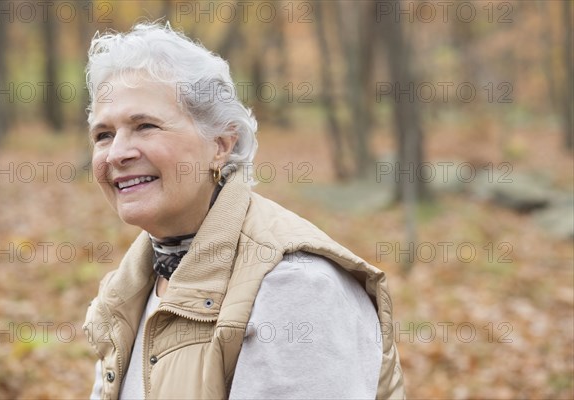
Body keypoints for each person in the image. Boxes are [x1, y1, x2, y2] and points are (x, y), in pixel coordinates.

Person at [83, 21, 405, 399]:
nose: (118, 153)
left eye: (146, 126)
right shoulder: (129, 288)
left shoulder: (296, 286)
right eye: (104, 135)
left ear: (220, 145)